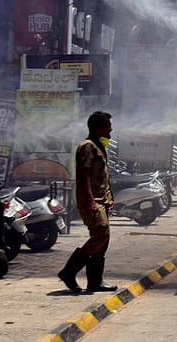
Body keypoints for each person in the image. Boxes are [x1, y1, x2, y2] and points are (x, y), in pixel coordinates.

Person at [58, 111, 117, 293]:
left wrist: (110, 198)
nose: (110, 129)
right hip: (92, 200)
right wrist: (90, 201)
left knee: (103, 240)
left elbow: (103, 177)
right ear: (98, 127)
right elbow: (84, 176)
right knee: (100, 234)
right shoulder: (87, 146)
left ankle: (95, 282)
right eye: (107, 125)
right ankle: (69, 271)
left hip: (102, 200)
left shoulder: (99, 145)